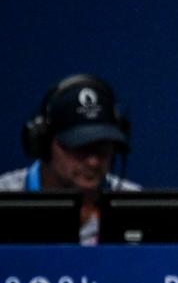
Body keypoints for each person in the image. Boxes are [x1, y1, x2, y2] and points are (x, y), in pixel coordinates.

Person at [0, 74, 139, 245]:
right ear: (44, 143)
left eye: (102, 148)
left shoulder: (135, 205)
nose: (93, 162)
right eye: (80, 148)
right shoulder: (5, 195)